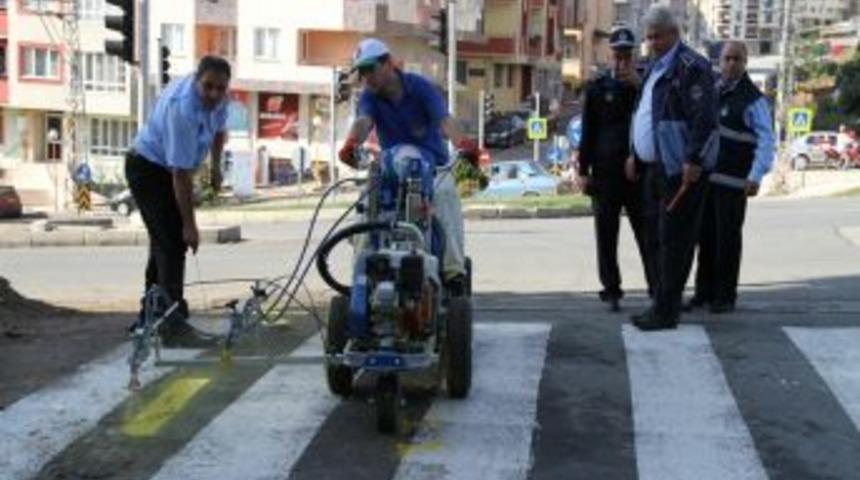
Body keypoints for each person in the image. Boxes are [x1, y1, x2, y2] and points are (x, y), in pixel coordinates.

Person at [337, 38, 479, 293]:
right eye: (362, 72)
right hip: (392, 169)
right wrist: (351, 143)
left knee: (446, 195)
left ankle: (453, 272)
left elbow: (445, 121)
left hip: (433, 167)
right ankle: (362, 275)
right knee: (365, 205)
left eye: (370, 69)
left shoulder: (420, 88)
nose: (366, 77)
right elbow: (364, 121)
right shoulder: (369, 97)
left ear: (388, 64)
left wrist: (464, 144)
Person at [125, 56, 230, 346]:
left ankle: (149, 317)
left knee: (163, 243)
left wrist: (216, 167)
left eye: (220, 88)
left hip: (168, 170)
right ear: (197, 80)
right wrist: (189, 226)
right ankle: (173, 326)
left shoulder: (221, 97)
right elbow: (180, 175)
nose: (214, 94)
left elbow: (219, 131)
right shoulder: (182, 109)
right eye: (208, 87)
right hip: (147, 169)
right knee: (172, 243)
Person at [627, 5, 720, 331]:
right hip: (653, 168)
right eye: (648, 37)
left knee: (674, 241)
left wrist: (693, 159)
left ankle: (666, 310)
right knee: (653, 237)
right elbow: (642, 112)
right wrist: (633, 152)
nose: (651, 43)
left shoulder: (692, 66)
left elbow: (705, 118)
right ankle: (660, 302)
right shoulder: (653, 66)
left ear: (674, 34)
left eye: (657, 37)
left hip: (679, 171)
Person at [687, 41, 775, 314]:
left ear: (745, 62)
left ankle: (725, 296)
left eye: (737, 59)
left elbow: (766, 140)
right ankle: (703, 293)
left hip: (734, 182)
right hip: (707, 180)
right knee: (705, 240)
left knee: (727, 241)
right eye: (726, 59)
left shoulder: (753, 99)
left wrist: (756, 175)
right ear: (720, 61)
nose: (731, 64)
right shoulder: (713, 90)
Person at [577, 26, 653, 312]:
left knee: (647, 233)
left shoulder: (645, 86)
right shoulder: (597, 87)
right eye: (617, 56)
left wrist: (639, 86)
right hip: (605, 172)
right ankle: (611, 290)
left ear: (634, 56)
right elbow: (588, 131)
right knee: (606, 234)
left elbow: (657, 116)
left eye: (626, 56)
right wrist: (583, 170)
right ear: (610, 56)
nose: (622, 62)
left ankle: (656, 288)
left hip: (637, 173)